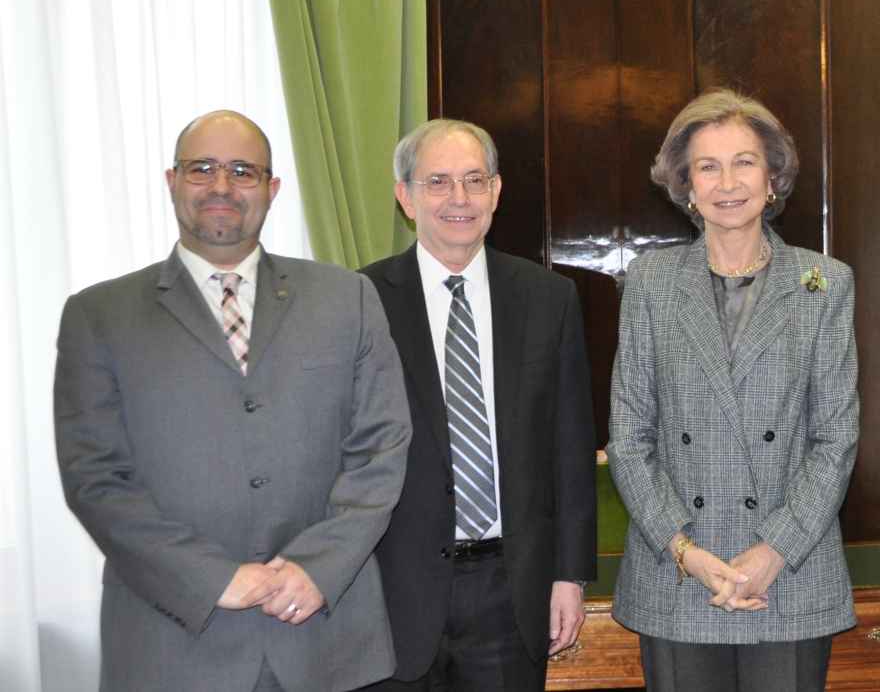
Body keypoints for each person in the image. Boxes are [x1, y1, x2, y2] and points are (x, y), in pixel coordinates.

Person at [54, 110, 412, 692]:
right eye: (203, 168)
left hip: (325, 640)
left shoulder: (348, 298)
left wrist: (316, 568)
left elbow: (382, 447)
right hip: (171, 646)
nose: (222, 186)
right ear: (172, 181)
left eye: (243, 171)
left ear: (272, 190)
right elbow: (95, 478)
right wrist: (213, 578)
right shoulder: (99, 316)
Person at [607, 89, 859, 692]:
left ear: (772, 177)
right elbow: (629, 437)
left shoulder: (823, 283)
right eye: (708, 166)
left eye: (744, 162)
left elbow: (835, 439)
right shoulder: (650, 284)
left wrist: (771, 551)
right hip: (678, 575)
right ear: (686, 186)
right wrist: (685, 550)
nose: (728, 182)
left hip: (788, 576)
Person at [360, 118, 597, 691]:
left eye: (474, 180)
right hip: (395, 589)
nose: (458, 198)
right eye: (437, 181)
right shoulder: (360, 301)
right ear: (405, 197)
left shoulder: (549, 298)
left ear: (496, 191)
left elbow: (570, 446)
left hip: (511, 588)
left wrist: (569, 576)